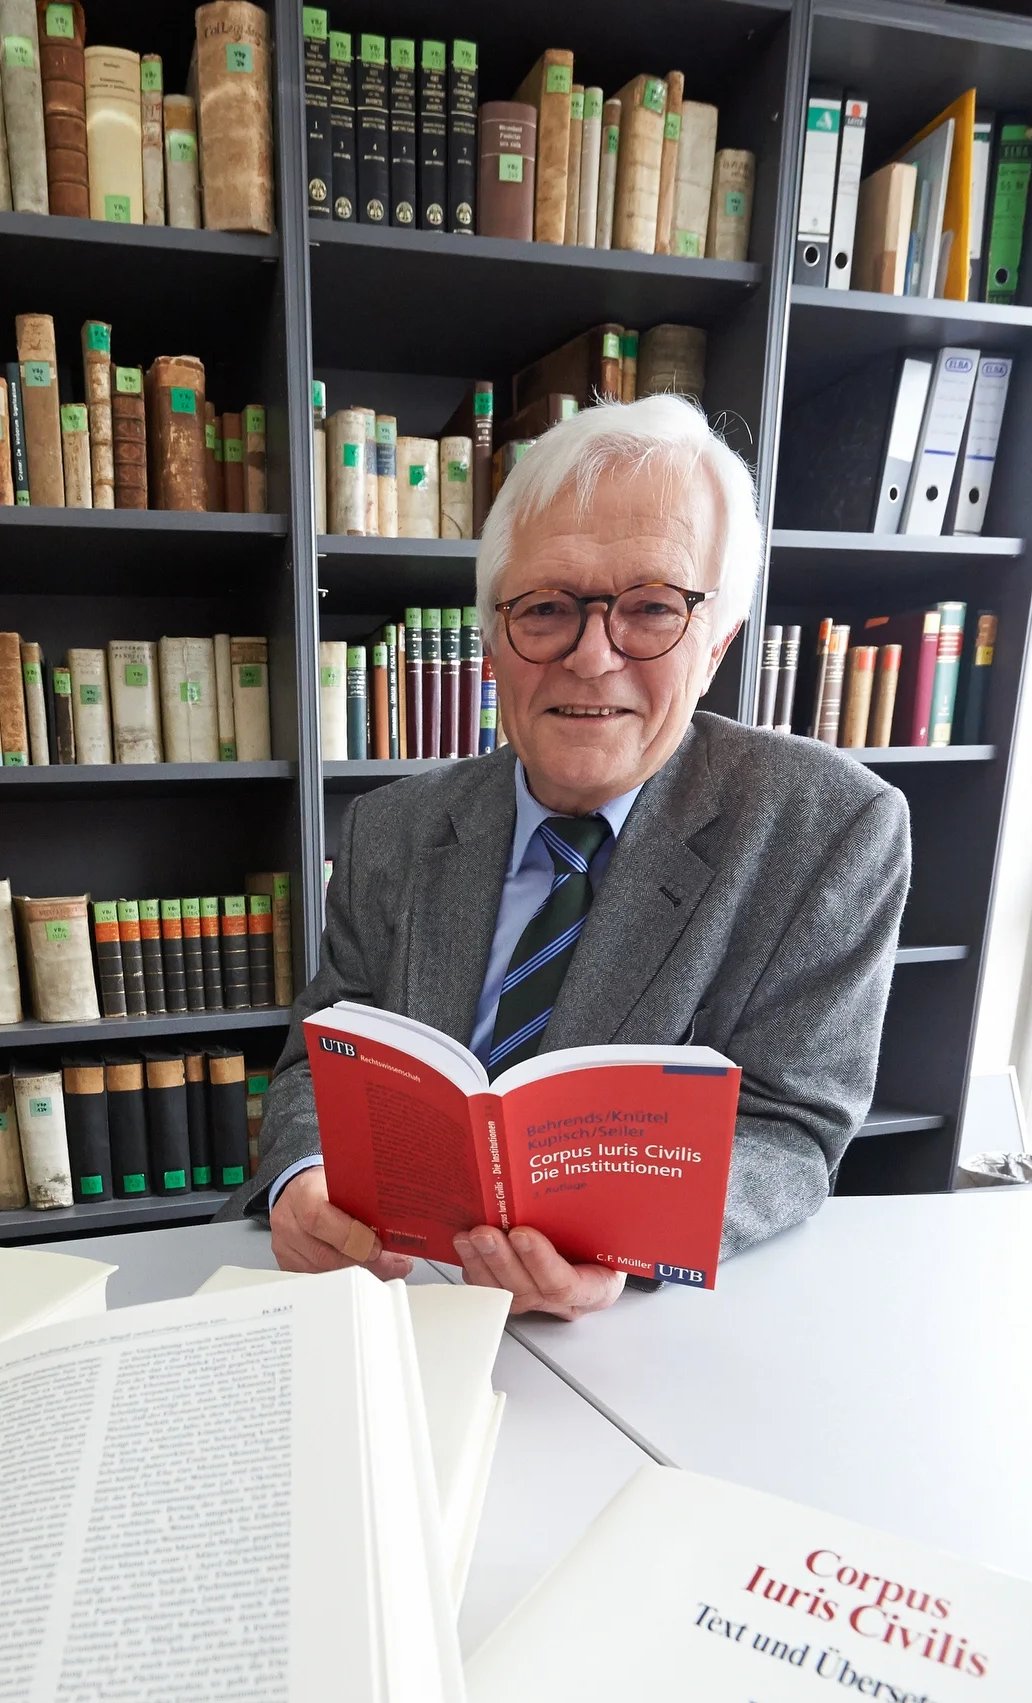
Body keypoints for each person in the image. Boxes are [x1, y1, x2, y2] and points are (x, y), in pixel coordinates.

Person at [243, 394, 912, 1318]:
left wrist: (633, 1243)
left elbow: (793, 1126)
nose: (593, 658)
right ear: (492, 638)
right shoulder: (389, 828)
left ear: (716, 644)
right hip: (391, 1297)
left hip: (636, 1334)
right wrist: (303, 1179)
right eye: (547, 608)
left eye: (652, 608)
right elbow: (318, 1064)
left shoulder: (830, 830)